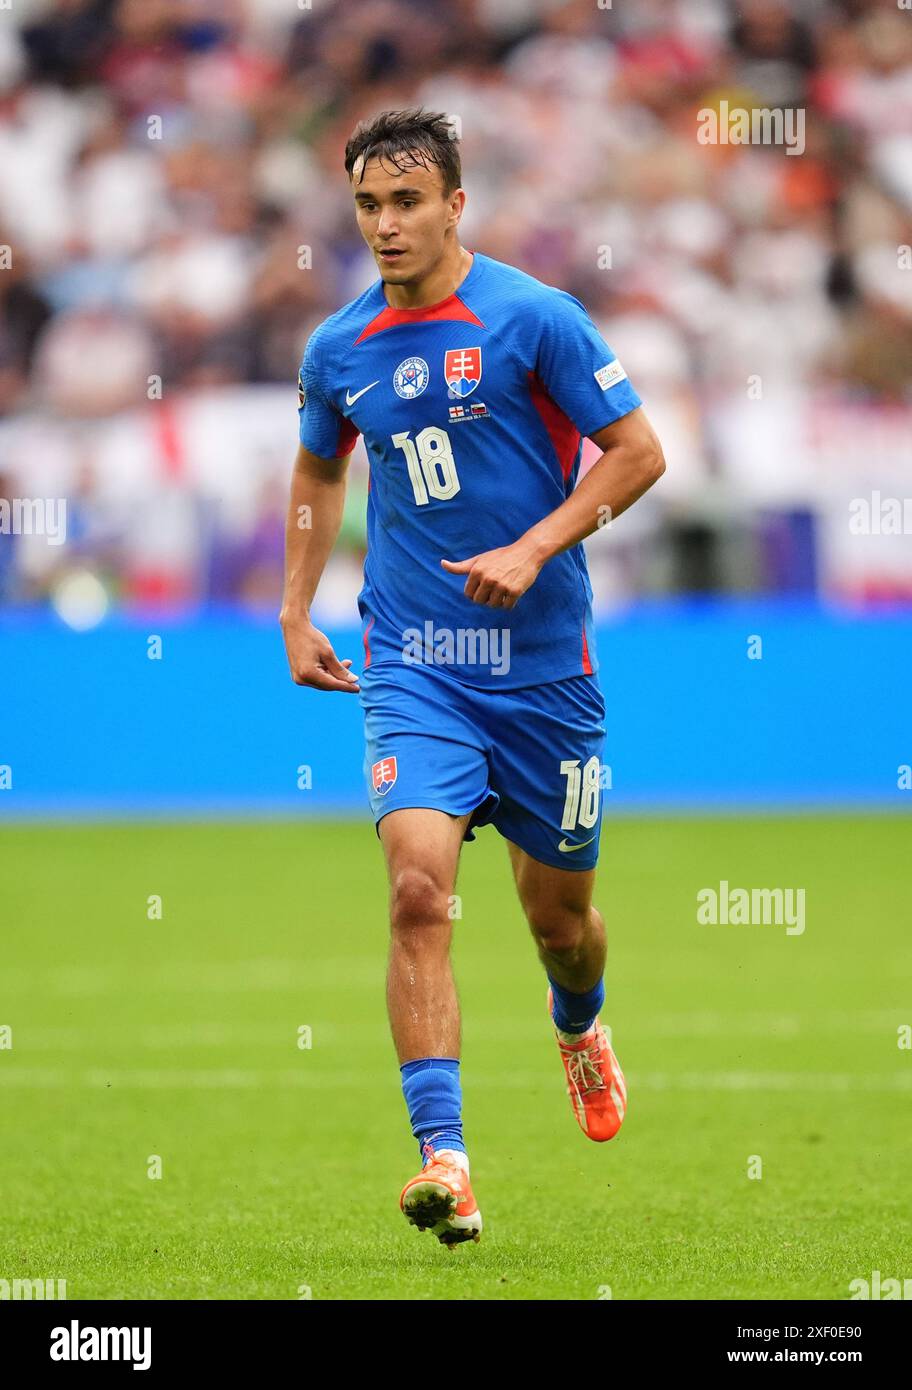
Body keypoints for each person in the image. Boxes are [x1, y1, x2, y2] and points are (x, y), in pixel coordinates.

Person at [280, 107, 665, 1247]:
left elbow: (641, 453)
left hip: (543, 668)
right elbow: (315, 470)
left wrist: (535, 545)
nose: (386, 225)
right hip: (413, 659)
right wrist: (296, 607)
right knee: (414, 884)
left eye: (408, 202)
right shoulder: (337, 348)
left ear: (456, 203)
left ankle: (580, 1023)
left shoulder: (534, 318)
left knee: (564, 925)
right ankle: (445, 1158)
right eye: (367, 204)